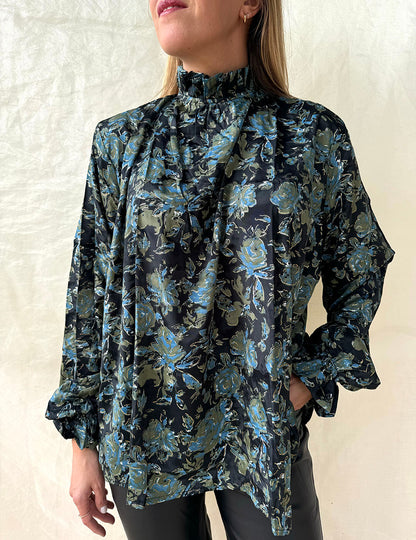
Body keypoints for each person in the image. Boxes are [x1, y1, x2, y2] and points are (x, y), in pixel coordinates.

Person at [44, 0, 395, 538]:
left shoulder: (310, 135)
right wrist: (82, 444)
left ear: (250, 4)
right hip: (141, 432)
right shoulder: (122, 142)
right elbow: (88, 298)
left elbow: (361, 266)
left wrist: (308, 378)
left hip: (262, 429)